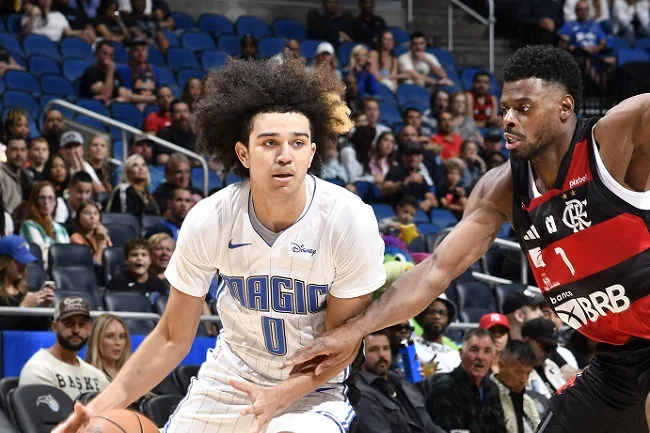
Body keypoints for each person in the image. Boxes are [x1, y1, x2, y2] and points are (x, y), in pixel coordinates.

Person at [283, 44, 650, 433]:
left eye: (524, 107)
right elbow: (435, 271)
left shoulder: (613, 140)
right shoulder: (502, 189)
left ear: (564, 108)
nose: (508, 119)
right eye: (505, 107)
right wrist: (355, 331)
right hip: (615, 359)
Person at [55, 55, 386, 433]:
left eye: (298, 143)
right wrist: (91, 413)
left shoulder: (346, 219)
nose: (284, 155)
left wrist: (281, 395)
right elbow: (169, 338)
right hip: (231, 378)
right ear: (243, 153)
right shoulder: (210, 218)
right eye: (269, 142)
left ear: (312, 153)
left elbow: (341, 345)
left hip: (314, 387)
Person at [19, 296, 110, 401]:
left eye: (82, 324)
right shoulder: (38, 369)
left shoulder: (97, 376)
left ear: (89, 328)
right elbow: (47, 416)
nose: (76, 330)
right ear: (54, 326)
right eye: (69, 323)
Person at [85, 313, 132, 381]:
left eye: (122, 336)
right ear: (97, 339)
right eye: (110, 336)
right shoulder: (88, 375)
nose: (117, 343)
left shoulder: (133, 372)